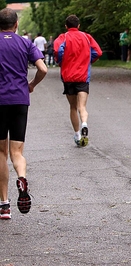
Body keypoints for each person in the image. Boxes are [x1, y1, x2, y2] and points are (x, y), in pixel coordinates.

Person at [0, 8, 47, 219]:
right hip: (20, 100)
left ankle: (4, 205)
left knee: (1, 153)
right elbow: (43, 69)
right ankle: (22, 177)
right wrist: (32, 85)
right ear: (16, 24)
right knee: (17, 152)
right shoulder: (25, 43)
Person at [54, 15, 103, 147]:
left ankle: (77, 134)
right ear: (79, 25)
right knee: (82, 106)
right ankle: (85, 124)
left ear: (66, 26)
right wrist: (89, 60)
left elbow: (58, 50)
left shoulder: (63, 37)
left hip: (68, 76)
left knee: (73, 107)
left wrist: (60, 61)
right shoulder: (87, 37)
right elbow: (98, 52)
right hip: (83, 76)